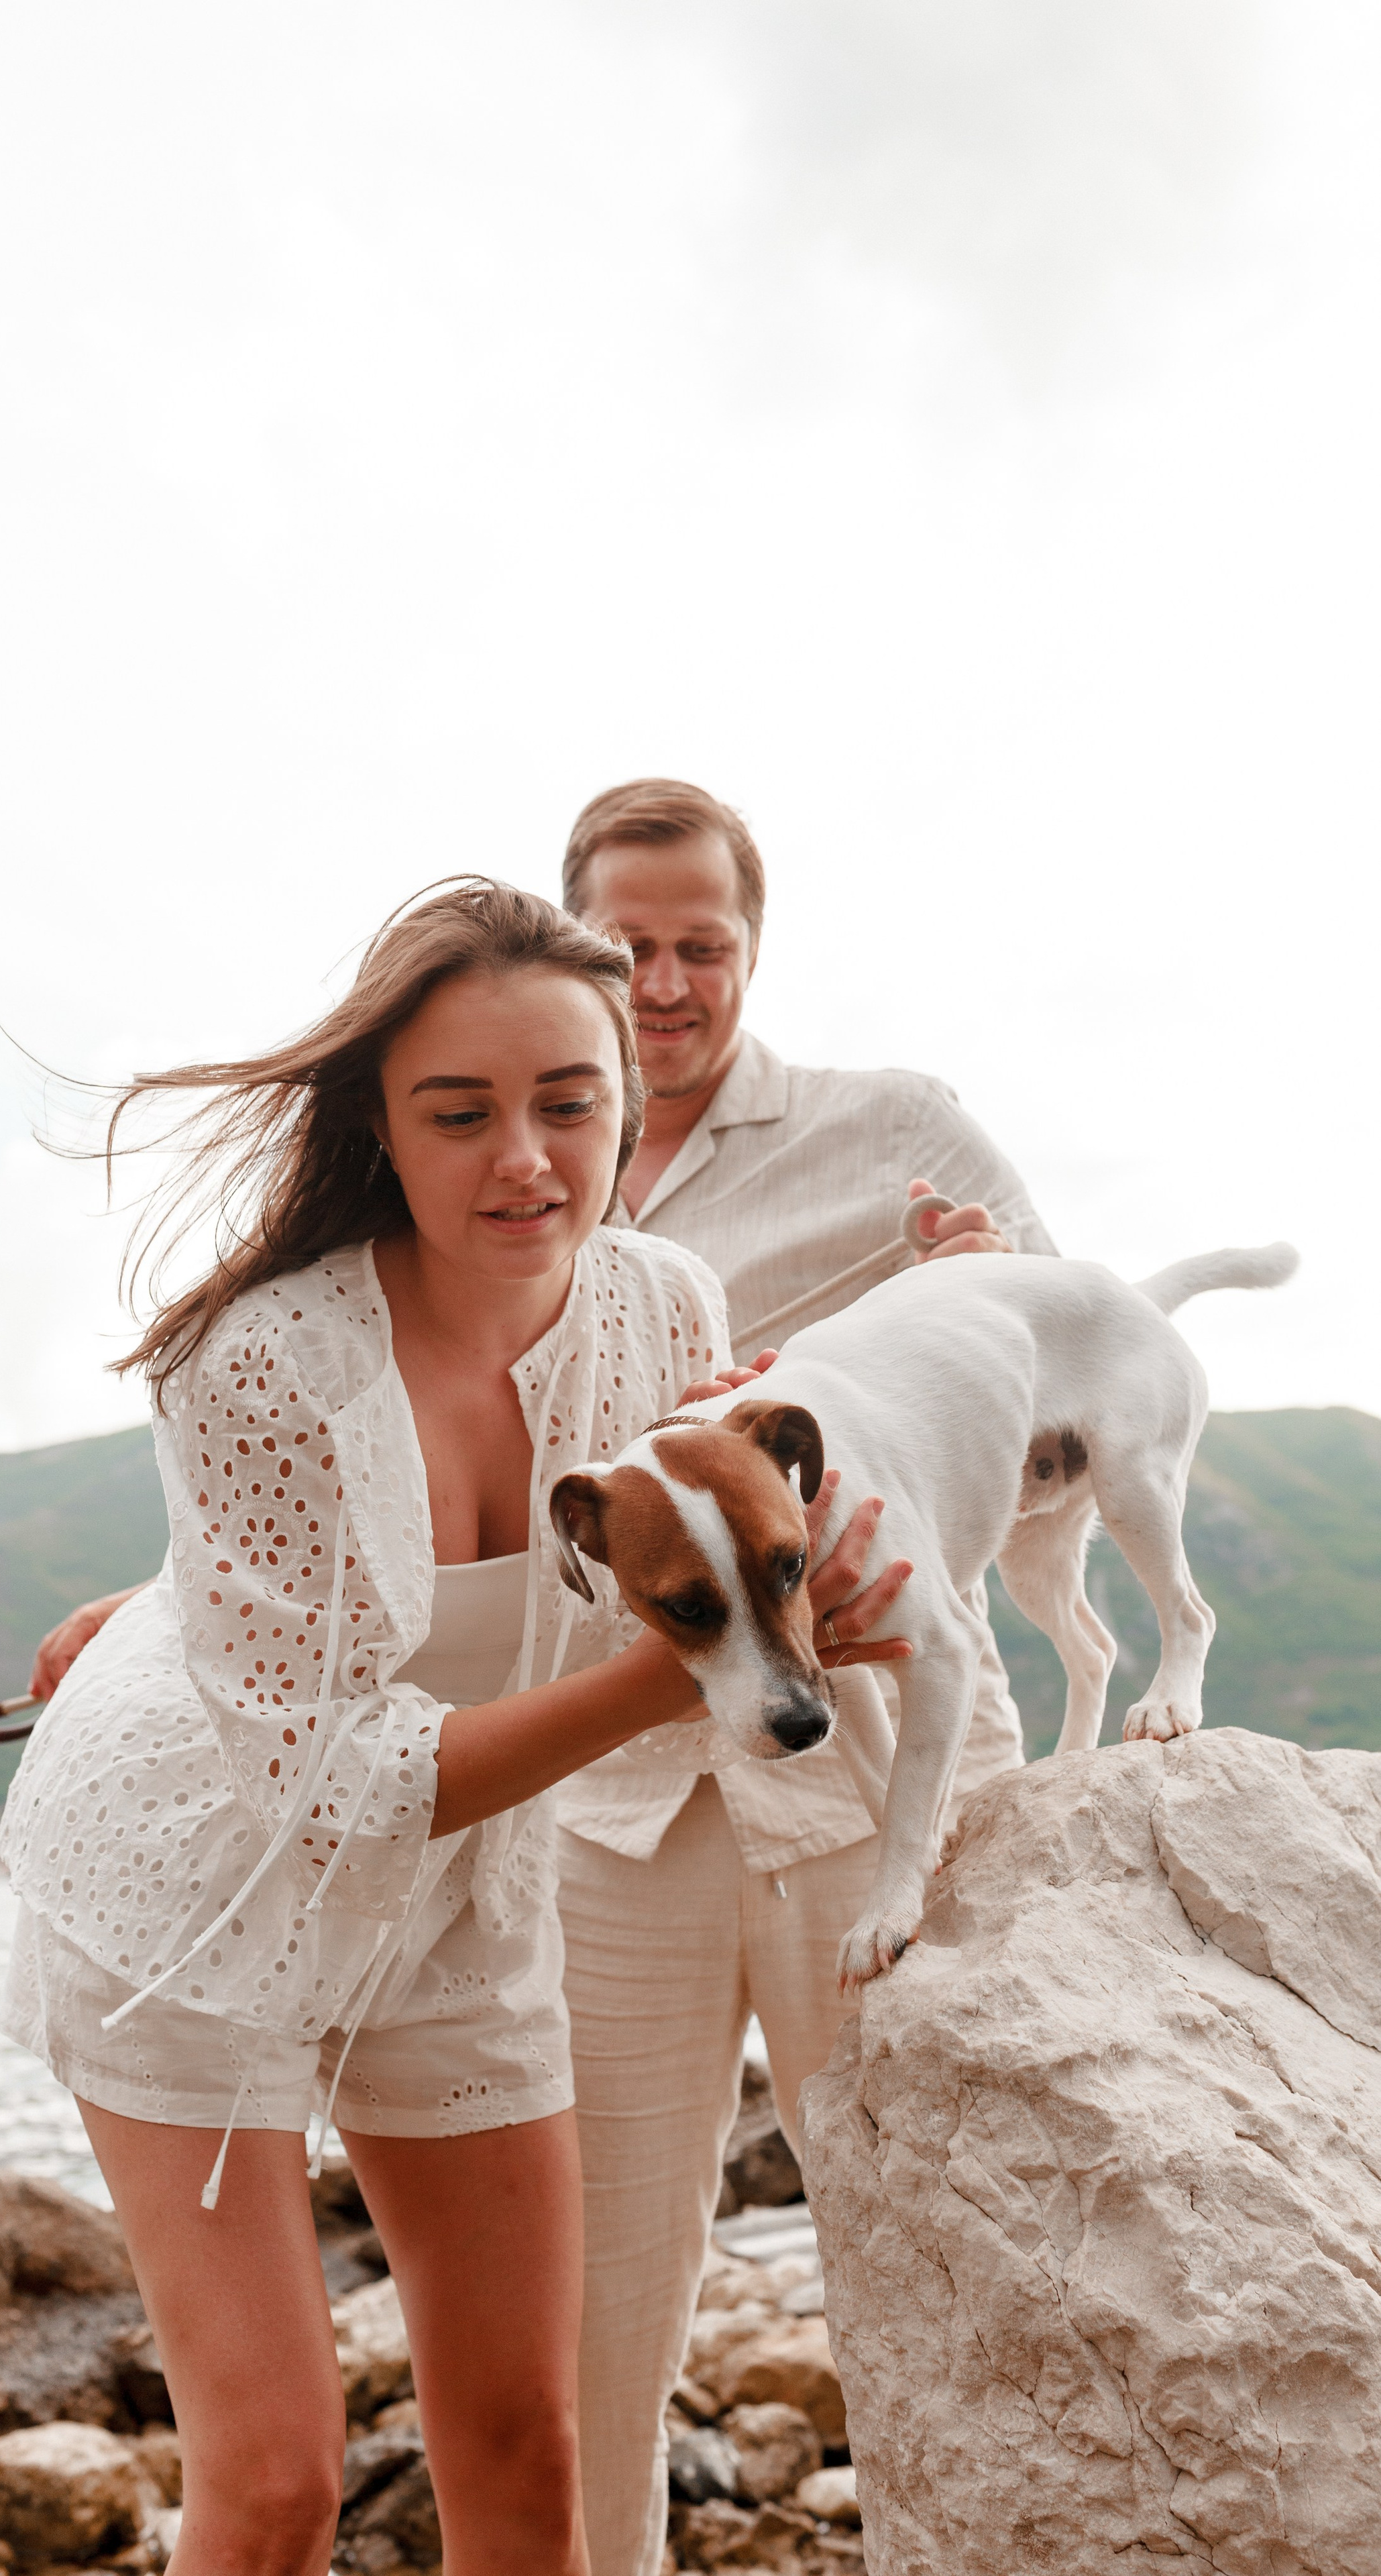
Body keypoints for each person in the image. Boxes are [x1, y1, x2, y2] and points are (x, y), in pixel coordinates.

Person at [0, 878, 910, 2576]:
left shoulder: (664, 1314)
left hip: (462, 1883)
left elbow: (665, 1564)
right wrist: (682, 1673)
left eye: (568, 1103)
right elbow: (334, 1784)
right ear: (380, 1129)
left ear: (625, 1106)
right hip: (198, 1890)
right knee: (273, 2486)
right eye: (461, 1112)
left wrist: (799, 1578)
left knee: (522, 2440)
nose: (525, 1161)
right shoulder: (253, 1360)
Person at [551, 780, 1055, 2576]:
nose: (668, 980)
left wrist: (986, 1285)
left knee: (945, 2230)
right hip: (622, 1809)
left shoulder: (899, 1124)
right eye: (631, 946)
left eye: (704, 945)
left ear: (752, 948)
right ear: (578, 945)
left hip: (879, 1776)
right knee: (597, 2286)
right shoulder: (531, 1159)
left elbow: (1054, 1378)